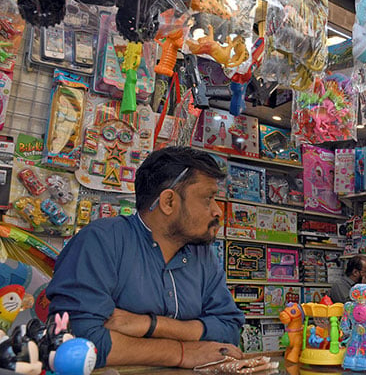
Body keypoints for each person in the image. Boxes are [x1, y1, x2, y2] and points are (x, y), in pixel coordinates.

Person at [47, 147, 245, 369]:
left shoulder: (202, 255)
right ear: (168, 202)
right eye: (208, 199)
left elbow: (229, 332)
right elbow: (77, 341)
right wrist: (181, 352)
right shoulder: (101, 241)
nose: (218, 211)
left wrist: (151, 325)